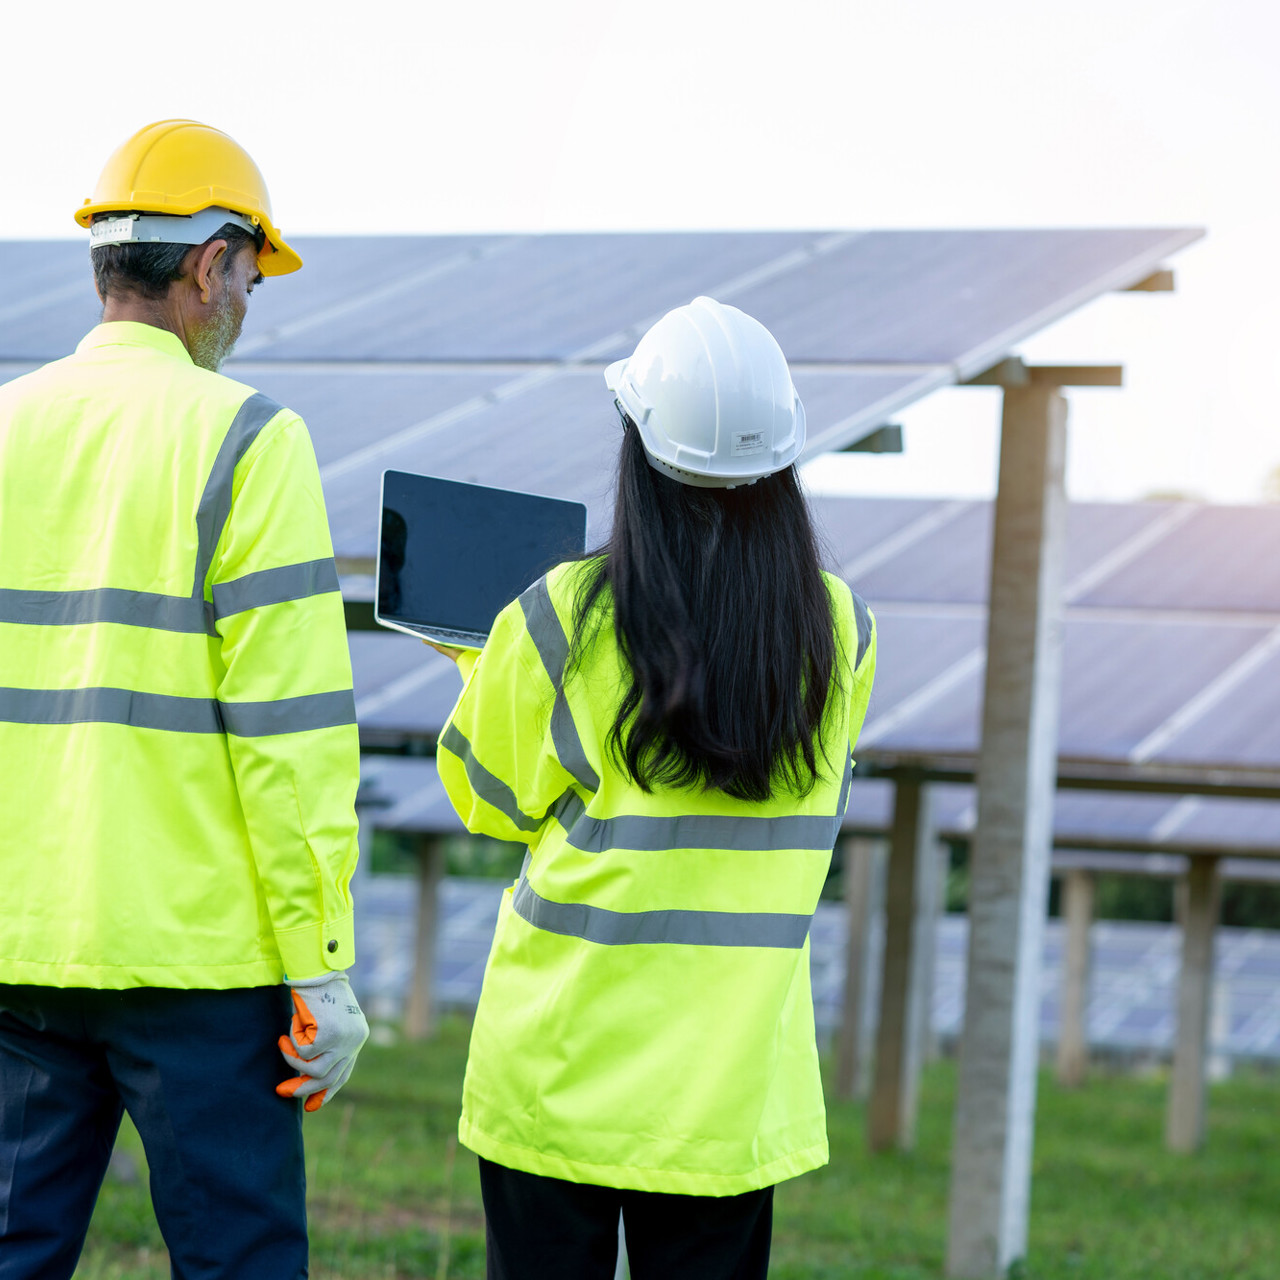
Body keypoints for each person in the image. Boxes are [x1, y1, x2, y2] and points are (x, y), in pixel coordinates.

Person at [432, 296, 877, 1280]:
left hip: (556, 1073)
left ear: (635, 445)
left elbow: (483, 798)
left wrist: (481, 667)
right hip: (725, 1096)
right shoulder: (839, 633)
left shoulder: (558, 618)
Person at [0, 120, 368, 1279]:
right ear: (210, 263)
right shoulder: (250, 436)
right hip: (200, 962)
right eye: (251, 275)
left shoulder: (5, 426)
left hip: (19, 945)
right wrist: (319, 957)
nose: (249, 303)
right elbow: (290, 730)